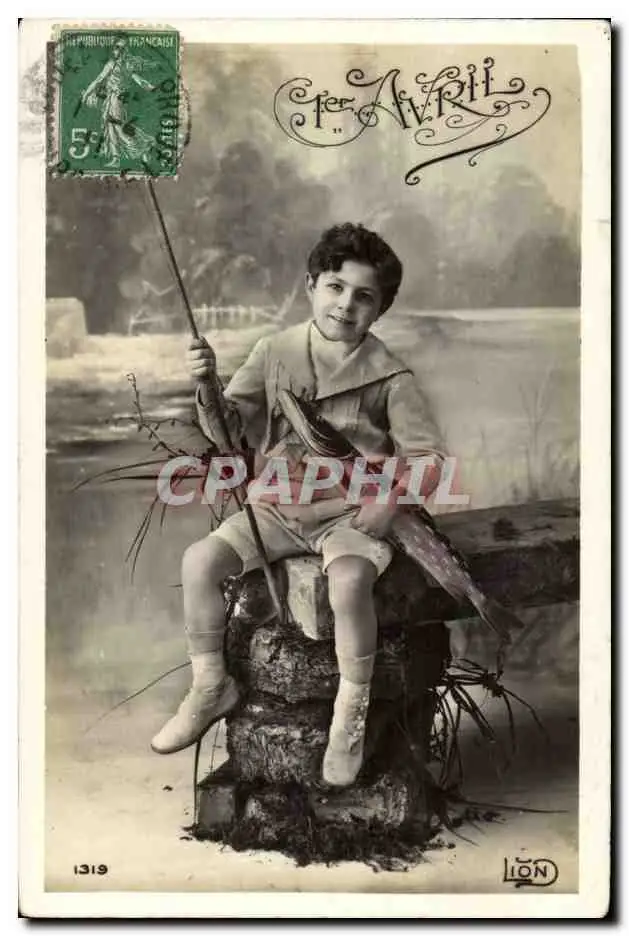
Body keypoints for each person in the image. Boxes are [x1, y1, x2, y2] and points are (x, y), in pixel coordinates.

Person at [151, 222, 446, 787]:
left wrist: (391, 500)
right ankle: (211, 684)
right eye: (335, 287)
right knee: (199, 562)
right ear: (311, 286)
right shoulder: (274, 351)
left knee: (349, 583)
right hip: (277, 507)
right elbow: (229, 431)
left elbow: (427, 458)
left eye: (364, 296)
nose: (346, 305)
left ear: (380, 309)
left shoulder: (391, 375)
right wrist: (207, 386)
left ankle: (350, 713)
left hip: (349, 513)